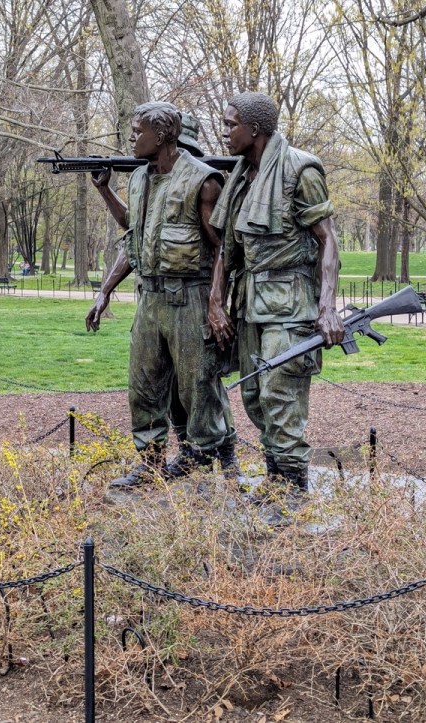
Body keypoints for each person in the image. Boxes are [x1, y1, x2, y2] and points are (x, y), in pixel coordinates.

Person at [85, 101, 238, 488]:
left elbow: (223, 247)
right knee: (144, 386)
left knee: (197, 387)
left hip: (190, 298)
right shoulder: (139, 178)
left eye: (138, 131)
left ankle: (203, 464)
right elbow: (133, 232)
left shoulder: (203, 181)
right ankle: (150, 464)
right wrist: (105, 291)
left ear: (163, 134)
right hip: (150, 299)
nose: (131, 138)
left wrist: (216, 303)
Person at [210, 91, 343, 506]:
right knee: (254, 396)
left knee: (280, 396)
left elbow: (328, 240)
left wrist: (327, 307)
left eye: (231, 125)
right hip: (250, 304)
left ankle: (293, 493)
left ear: (255, 129)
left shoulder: (299, 169)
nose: (225, 132)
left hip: (290, 304)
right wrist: (215, 301)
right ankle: (276, 482)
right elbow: (227, 248)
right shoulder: (241, 177)